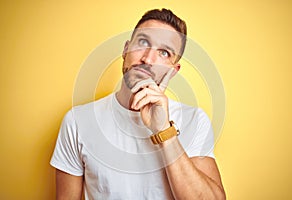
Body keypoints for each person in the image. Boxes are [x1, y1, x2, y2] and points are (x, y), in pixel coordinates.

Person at [50, 8, 226, 200]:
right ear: (126, 49)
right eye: (143, 42)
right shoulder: (77, 121)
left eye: (164, 53)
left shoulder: (195, 120)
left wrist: (164, 132)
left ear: (173, 71)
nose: (148, 59)